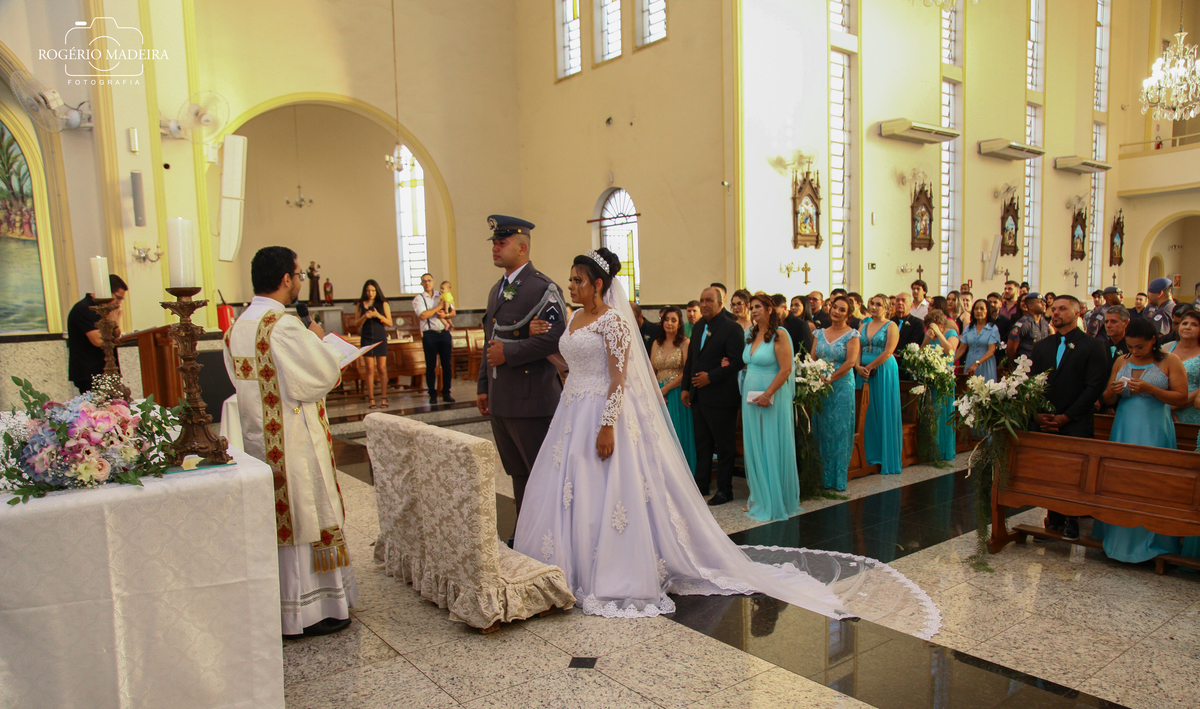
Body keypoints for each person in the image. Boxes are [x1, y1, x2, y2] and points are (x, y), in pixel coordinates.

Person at [514, 251, 895, 623]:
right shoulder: (574, 317)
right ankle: (565, 566)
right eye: (571, 279)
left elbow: (618, 377)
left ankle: (612, 566)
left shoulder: (613, 321)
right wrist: (544, 348)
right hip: (572, 411)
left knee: (610, 487)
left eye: (577, 280)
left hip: (603, 411)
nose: (570, 286)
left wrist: (608, 424)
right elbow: (572, 363)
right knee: (568, 486)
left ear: (598, 284)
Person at [222, 246, 356, 638]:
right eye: (298, 275)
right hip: (294, 440)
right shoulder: (282, 325)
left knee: (279, 521)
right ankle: (315, 610)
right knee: (306, 515)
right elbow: (319, 376)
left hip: (259, 441)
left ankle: (283, 608)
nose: (299, 281)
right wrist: (321, 342)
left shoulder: (237, 327)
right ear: (285, 278)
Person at [476, 215, 566, 526]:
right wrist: (483, 386)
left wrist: (510, 352)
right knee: (517, 473)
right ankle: (526, 533)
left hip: (532, 401)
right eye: (494, 243)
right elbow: (490, 339)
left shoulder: (543, 288)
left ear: (522, 247)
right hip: (502, 399)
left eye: (502, 243)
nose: (495, 248)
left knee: (540, 474)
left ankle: (548, 535)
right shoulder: (496, 290)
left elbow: (557, 337)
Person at [1091, 317, 1189, 561]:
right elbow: (1107, 398)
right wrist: (1112, 392)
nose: (1134, 351)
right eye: (1130, 346)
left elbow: (1181, 396)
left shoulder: (1170, 361)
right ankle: (1117, 537)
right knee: (1121, 478)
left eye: (1140, 347)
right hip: (1124, 427)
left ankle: (1154, 540)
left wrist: (1150, 389)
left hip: (1155, 428)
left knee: (1152, 480)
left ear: (1153, 340)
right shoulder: (1121, 361)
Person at [1028, 295, 1110, 541]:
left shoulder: (1093, 346)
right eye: (1054, 309)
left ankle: (1072, 518)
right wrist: (1037, 414)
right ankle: (1053, 519)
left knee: (1073, 473)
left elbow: (1094, 387)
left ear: (1077, 313)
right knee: (1050, 471)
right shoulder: (1042, 346)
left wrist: (1067, 416)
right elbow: (1031, 383)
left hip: (1076, 420)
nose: (1056, 313)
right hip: (1046, 419)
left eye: (1062, 309)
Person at [682, 286, 745, 505]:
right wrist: (685, 387)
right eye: (702, 300)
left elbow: (737, 361)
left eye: (709, 300)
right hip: (699, 396)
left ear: (720, 303)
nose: (704, 304)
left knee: (724, 446)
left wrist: (711, 376)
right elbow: (692, 359)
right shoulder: (699, 326)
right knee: (703, 444)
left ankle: (725, 489)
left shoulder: (731, 328)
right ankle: (701, 483)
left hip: (721, 397)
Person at [740, 292, 800, 521]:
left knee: (771, 442)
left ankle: (774, 498)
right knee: (755, 443)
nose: (753, 311)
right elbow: (748, 363)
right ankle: (758, 495)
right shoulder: (750, 333)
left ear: (769, 309)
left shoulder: (779, 334)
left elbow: (785, 369)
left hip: (771, 395)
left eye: (758, 307)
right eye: (751, 307)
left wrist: (768, 394)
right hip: (750, 396)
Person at [811, 295, 860, 491]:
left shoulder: (852, 335)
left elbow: (850, 362)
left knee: (840, 430)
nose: (836, 312)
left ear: (848, 315)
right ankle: (821, 476)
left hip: (841, 386)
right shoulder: (819, 333)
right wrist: (812, 376)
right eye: (834, 307)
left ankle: (838, 478)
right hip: (820, 386)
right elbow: (812, 357)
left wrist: (830, 378)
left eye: (842, 310)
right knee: (822, 429)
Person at [855, 294, 902, 475]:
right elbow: (858, 348)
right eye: (872, 304)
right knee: (865, 412)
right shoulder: (863, 325)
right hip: (863, 370)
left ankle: (884, 456)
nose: (874, 307)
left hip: (883, 370)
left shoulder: (891, 326)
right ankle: (866, 454)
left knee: (882, 408)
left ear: (887, 308)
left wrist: (870, 366)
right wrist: (858, 366)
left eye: (878, 305)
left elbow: (889, 351)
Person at [651, 306, 696, 472]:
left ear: (679, 324)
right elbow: (651, 370)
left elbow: (687, 371)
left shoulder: (685, 343)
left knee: (676, 432)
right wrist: (656, 391)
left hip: (676, 393)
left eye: (673, 320)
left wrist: (666, 389)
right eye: (666, 320)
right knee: (659, 434)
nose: (669, 323)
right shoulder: (656, 343)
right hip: (657, 393)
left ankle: (681, 472)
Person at [67, 274, 128, 394]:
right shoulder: (84, 308)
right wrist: (112, 323)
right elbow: (99, 341)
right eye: (118, 298)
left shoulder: (105, 309)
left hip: (107, 371)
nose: (118, 303)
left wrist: (115, 323)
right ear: (107, 292)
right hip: (90, 372)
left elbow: (116, 334)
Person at [922, 309, 960, 461]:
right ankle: (931, 450)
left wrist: (939, 333)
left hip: (944, 378)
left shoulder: (951, 333)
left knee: (943, 412)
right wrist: (927, 338)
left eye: (936, 324)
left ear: (942, 324)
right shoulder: (929, 336)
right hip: (931, 378)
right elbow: (921, 352)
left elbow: (950, 351)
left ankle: (944, 450)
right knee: (931, 413)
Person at [413, 273, 454, 404]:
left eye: (429, 280)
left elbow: (453, 312)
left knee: (446, 365)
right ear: (421, 284)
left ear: (433, 281)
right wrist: (439, 307)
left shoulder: (441, 295)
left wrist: (446, 315)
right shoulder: (419, 299)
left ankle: (446, 392)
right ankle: (432, 393)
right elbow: (423, 315)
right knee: (431, 366)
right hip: (429, 334)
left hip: (444, 333)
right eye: (424, 281)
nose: (427, 283)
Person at [355, 280, 393, 409]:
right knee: (370, 369)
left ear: (376, 291)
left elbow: (389, 323)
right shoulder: (360, 304)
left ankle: (384, 397)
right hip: (366, 337)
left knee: (382, 368)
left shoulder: (383, 303)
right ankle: (371, 399)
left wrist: (378, 315)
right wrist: (365, 316)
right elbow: (357, 323)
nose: (370, 293)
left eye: (373, 290)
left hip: (380, 336)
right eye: (368, 291)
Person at [1167, 309, 1200, 428]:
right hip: (1164, 409)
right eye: (1185, 323)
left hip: (1191, 410)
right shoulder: (1166, 348)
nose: (1188, 327)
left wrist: (1173, 406)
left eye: (1194, 325)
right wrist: (1165, 408)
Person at [958, 299, 1001, 382]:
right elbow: (961, 349)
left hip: (985, 364)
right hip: (970, 362)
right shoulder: (969, 328)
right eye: (976, 308)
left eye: (982, 309)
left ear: (987, 311)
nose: (978, 311)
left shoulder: (992, 328)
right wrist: (949, 363)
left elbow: (991, 351)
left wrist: (976, 363)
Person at [1007, 292, 1050, 363]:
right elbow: (1011, 348)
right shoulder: (1023, 323)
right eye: (1040, 302)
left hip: (1041, 363)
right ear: (1030, 306)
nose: (1044, 304)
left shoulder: (1045, 323)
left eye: (1044, 302)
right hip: (1026, 364)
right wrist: (1016, 364)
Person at [891, 292, 926, 381]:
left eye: (903, 301)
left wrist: (899, 354)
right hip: (889, 362)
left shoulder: (917, 323)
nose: (900, 303)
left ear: (911, 305)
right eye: (898, 300)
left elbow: (915, 343)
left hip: (906, 365)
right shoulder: (890, 322)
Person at [775, 292, 813, 356]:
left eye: (797, 305)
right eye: (791, 305)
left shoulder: (801, 324)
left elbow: (806, 352)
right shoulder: (775, 323)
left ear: (784, 307)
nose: (793, 308)